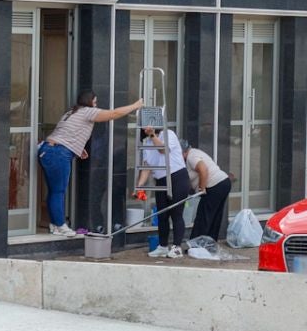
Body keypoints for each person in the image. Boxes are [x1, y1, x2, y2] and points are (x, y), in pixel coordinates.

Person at [38, 90, 144, 236]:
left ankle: (55, 224)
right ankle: (61, 225)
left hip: (48, 150)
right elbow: (114, 114)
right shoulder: (87, 112)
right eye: (95, 102)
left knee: (54, 191)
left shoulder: (72, 112)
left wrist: (77, 148)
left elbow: (67, 133)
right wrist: (135, 106)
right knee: (58, 191)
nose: (96, 105)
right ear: (89, 102)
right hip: (58, 153)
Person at [135, 123, 192, 257]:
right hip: (161, 179)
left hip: (177, 176)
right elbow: (147, 166)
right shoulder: (147, 142)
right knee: (162, 215)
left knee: (176, 213)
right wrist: (139, 186)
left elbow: (163, 150)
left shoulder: (169, 134)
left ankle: (177, 247)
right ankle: (163, 246)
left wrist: (152, 135)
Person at [181, 138, 234, 242]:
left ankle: (196, 243)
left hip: (215, 185)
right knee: (214, 216)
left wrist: (202, 188)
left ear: (183, 151)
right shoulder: (194, 153)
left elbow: (203, 170)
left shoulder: (191, 156)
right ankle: (209, 242)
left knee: (203, 216)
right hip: (223, 183)